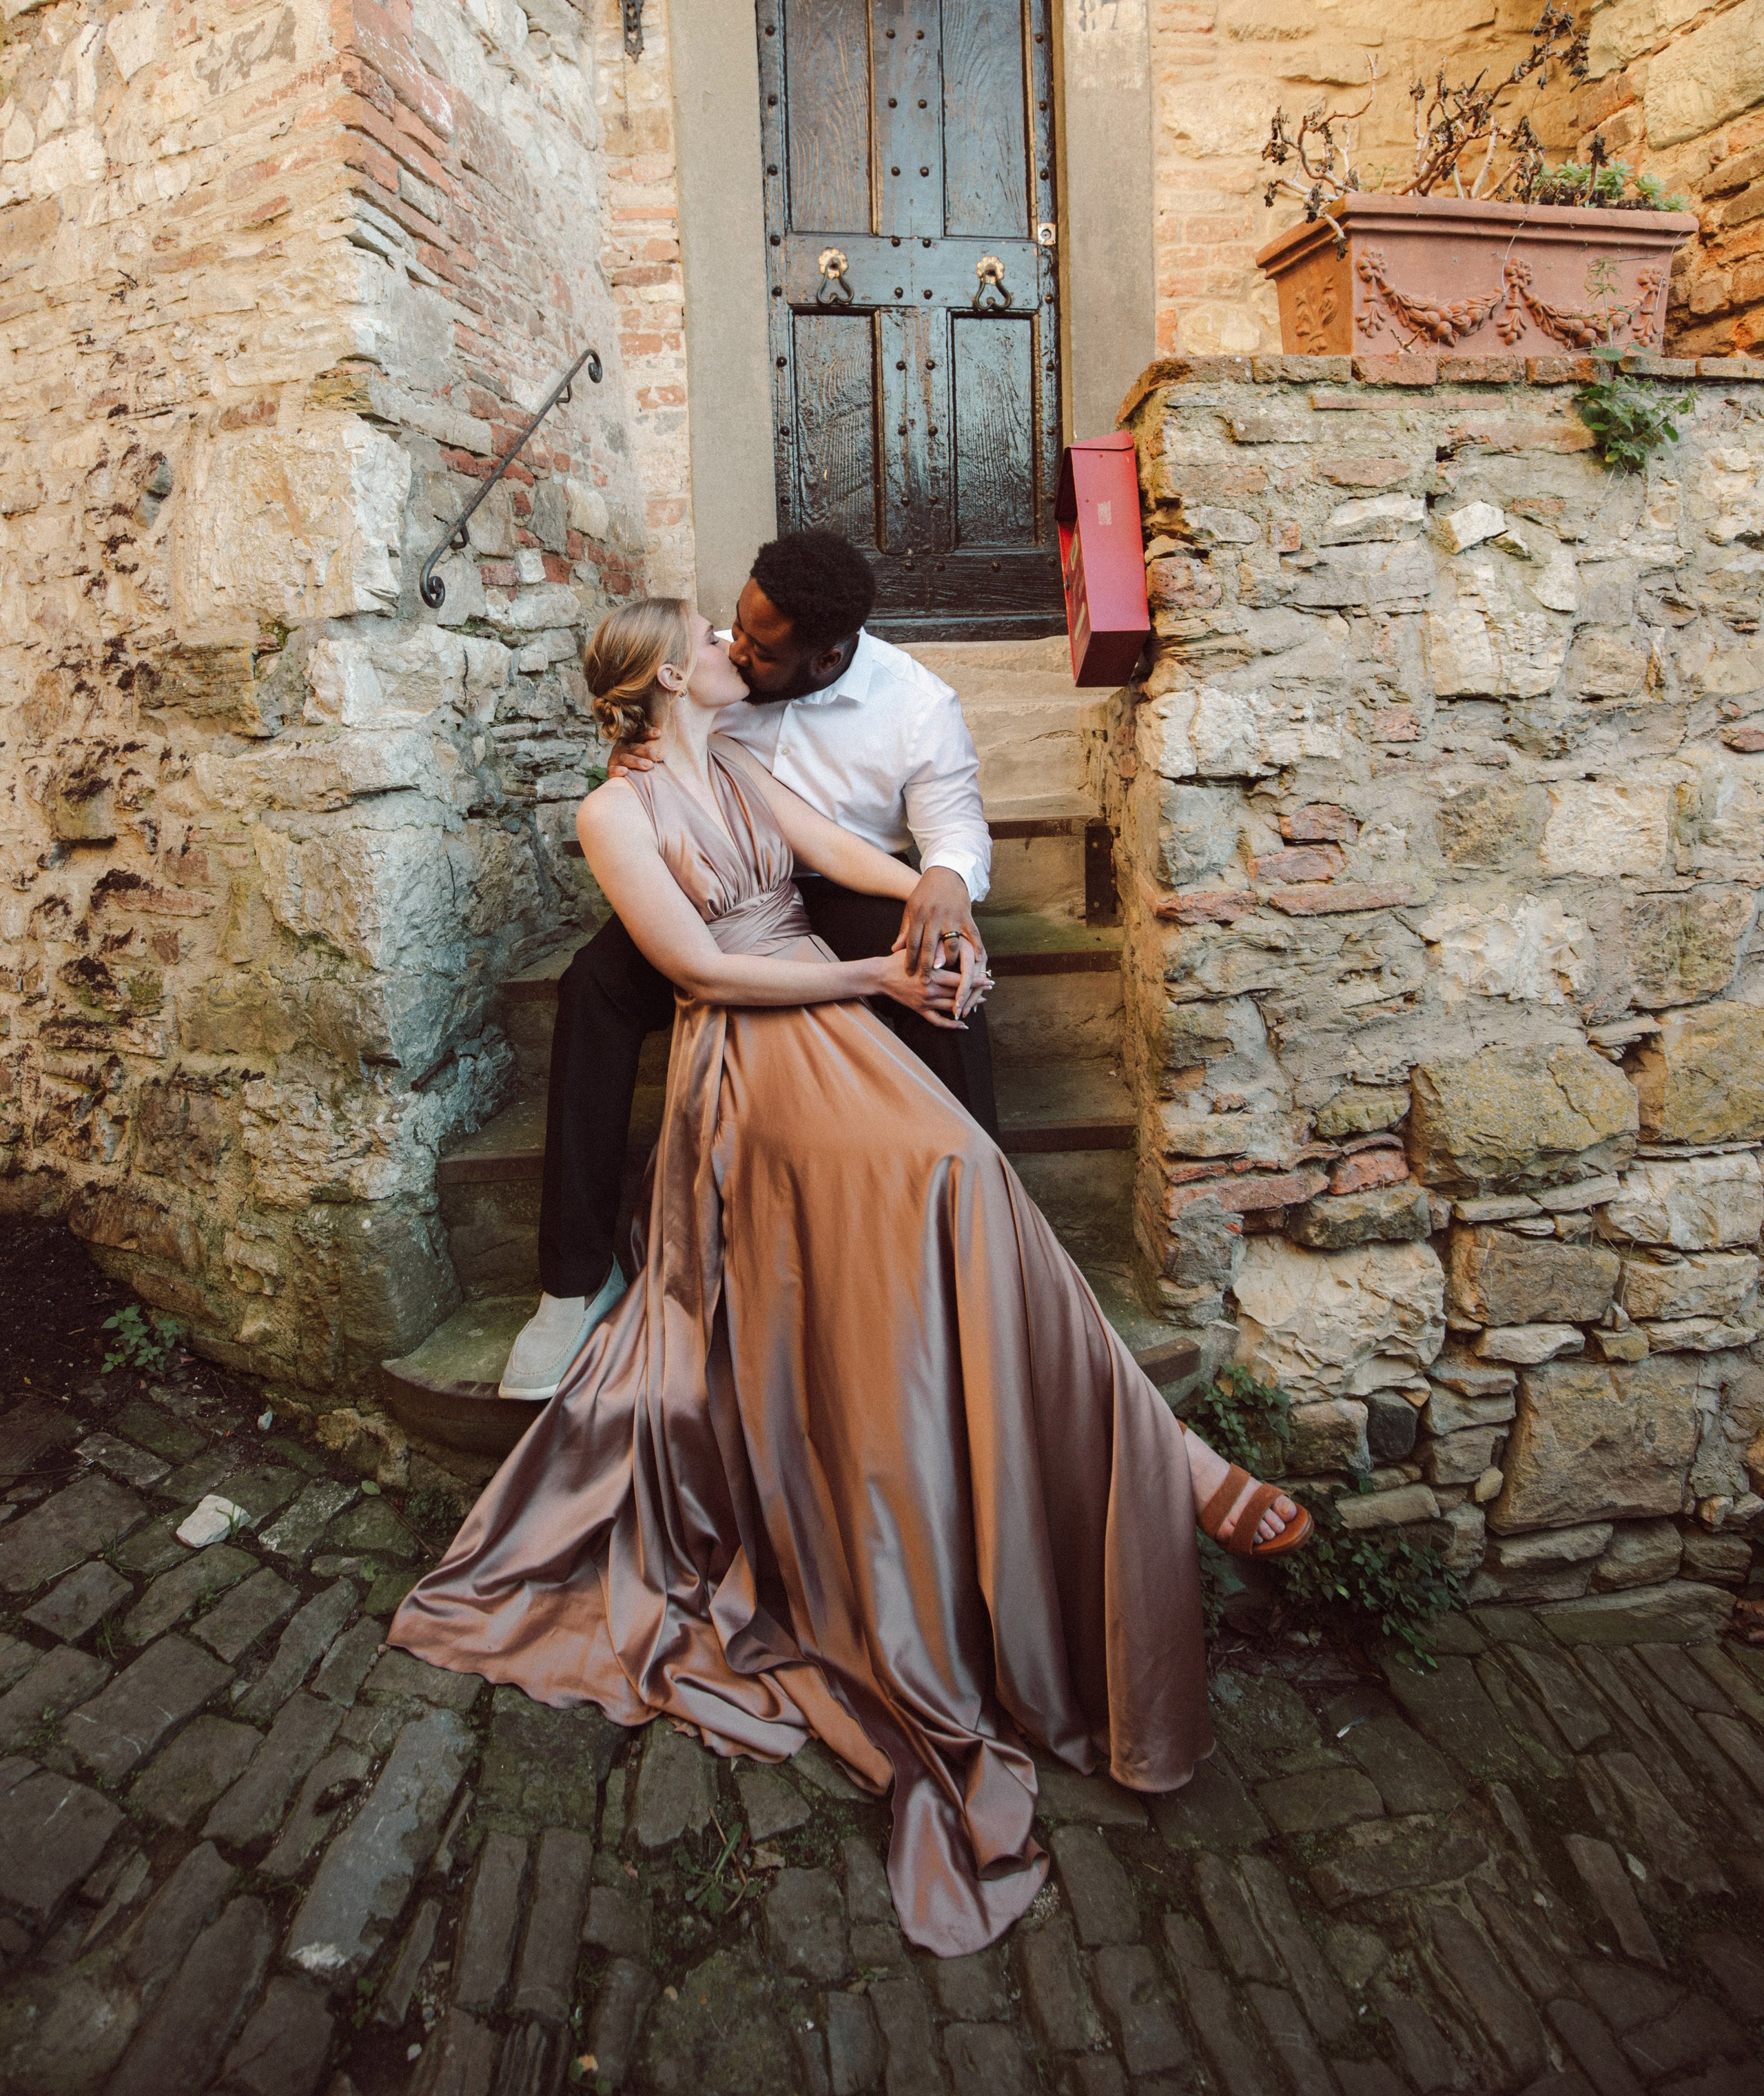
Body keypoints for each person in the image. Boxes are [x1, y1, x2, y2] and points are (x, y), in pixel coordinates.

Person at [391, 598, 1310, 1959]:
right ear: (655, 676)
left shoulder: (740, 761)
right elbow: (699, 964)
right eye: (705, 634)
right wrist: (876, 978)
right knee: (942, 1174)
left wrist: (933, 895)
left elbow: (839, 853)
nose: (727, 646)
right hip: (749, 1053)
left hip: (830, 1009)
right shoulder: (614, 816)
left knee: (968, 1168)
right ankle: (1162, 1453)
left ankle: (1147, 1444)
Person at [500, 529, 1000, 1402]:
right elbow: (652, 713)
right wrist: (628, 760)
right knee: (591, 987)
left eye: (760, 647)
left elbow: (940, 822)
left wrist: (946, 889)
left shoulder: (916, 705)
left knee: (937, 970)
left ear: (825, 657)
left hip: (833, 888)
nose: (734, 646)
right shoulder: (722, 678)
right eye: (730, 627)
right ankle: (574, 1276)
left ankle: (986, 1219)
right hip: (709, 888)